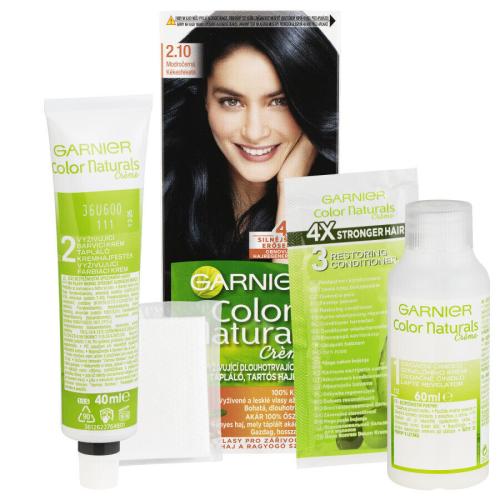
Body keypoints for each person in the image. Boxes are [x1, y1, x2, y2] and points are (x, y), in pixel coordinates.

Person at [163, 25, 338, 295]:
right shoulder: (166, 194)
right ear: (205, 99)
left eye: (279, 101)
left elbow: (301, 315)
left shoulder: (345, 201)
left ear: (308, 103)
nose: (255, 132)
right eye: (231, 102)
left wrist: (293, 195)